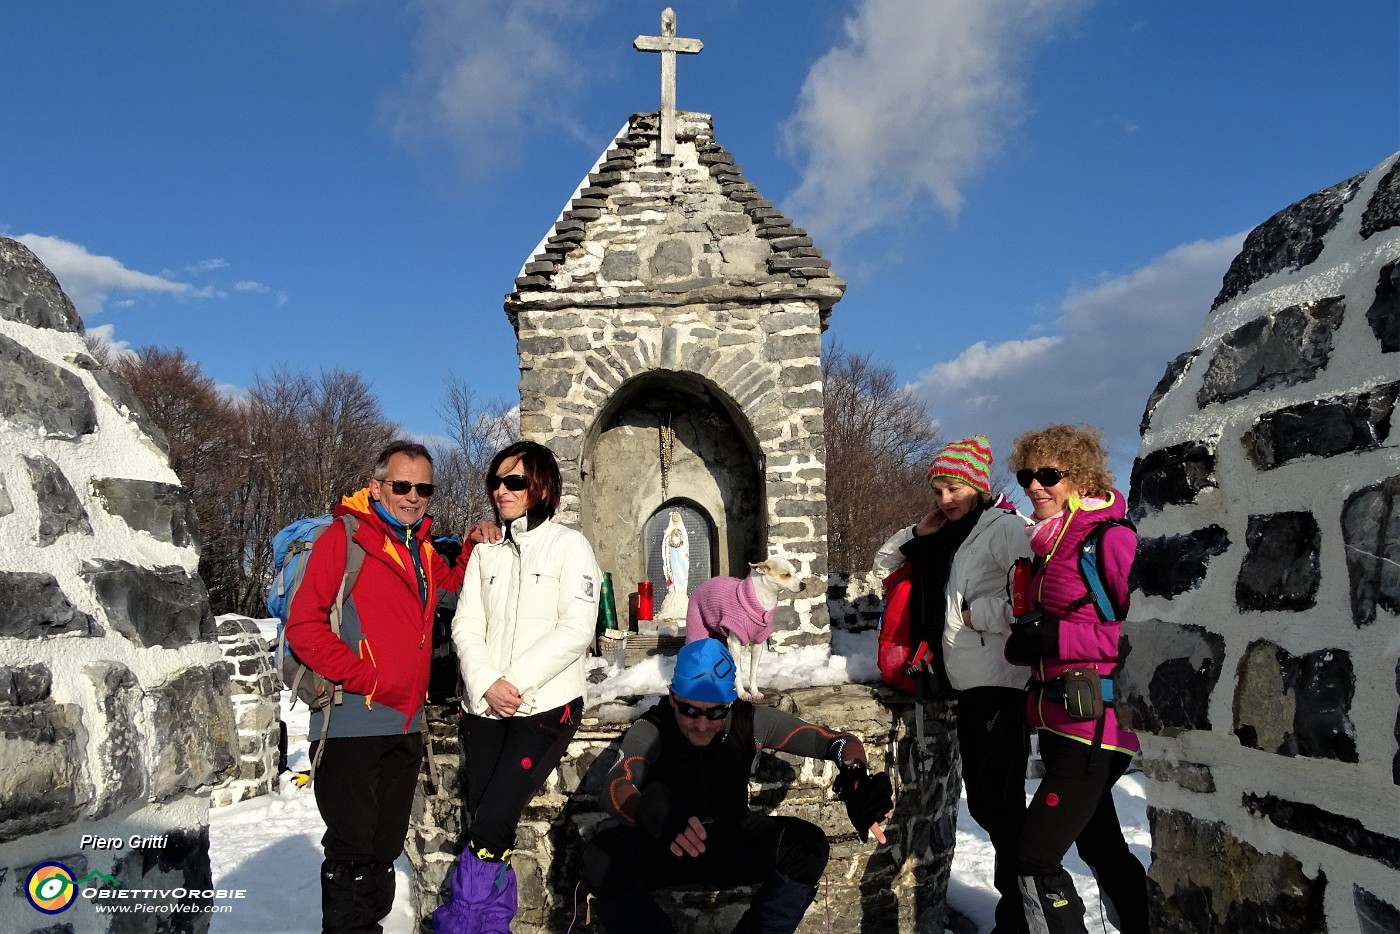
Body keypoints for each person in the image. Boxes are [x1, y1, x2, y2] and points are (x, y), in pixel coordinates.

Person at [285, 440, 498, 934]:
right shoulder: (346, 537)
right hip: (350, 722)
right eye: (401, 485)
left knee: (382, 853)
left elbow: (455, 590)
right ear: (377, 485)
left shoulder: (419, 546)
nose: (412, 496)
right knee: (353, 854)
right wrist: (365, 677)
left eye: (424, 488)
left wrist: (474, 541)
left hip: (405, 723)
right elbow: (304, 626)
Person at [583, 639, 894, 934]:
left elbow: (834, 741)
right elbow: (616, 785)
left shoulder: (747, 721)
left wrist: (855, 774)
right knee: (601, 857)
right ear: (672, 697)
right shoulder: (654, 726)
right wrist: (652, 814)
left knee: (808, 845)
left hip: (730, 839)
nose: (701, 725)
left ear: (729, 703)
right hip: (668, 844)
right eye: (690, 710)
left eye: (715, 712)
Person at [434, 440, 602, 934]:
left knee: (492, 818)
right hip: (484, 706)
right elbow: (466, 624)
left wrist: (515, 682)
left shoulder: (569, 546)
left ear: (541, 486)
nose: (501, 490)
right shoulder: (486, 550)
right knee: (485, 817)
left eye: (515, 481)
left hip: (545, 705)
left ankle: (468, 924)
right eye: (496, 481)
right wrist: (487, 684)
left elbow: (577, 627)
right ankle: (487, 920)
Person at [873, 434, 1033, 934]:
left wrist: (974, 614)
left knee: (997, 803)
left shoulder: (1005, 527)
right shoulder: (947, 534)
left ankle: (1026, 908)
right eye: (939, 490)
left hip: (1000, 682)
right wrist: (919, 530)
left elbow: (1035, 592)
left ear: (979, 487)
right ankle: (1024, 903)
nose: (946, 499)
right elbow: (883, 565)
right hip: (966, 684)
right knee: (990, 802)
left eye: (955, 489)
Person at [1003, 424, 1147, 934]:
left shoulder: (1108, 539)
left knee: (1034, 856)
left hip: (1097, 725)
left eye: (1049, 475)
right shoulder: (1049, 547)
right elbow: (1064, 627)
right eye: (1026, 476)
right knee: (1100, 844)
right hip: (1061, 718)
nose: (1034, 486)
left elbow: (1142, 635)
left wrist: (1058, 639)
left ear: (1082, 479)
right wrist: (1028, 644)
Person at [657, 509, 690, 621]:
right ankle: (674, 597)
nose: (675, 516)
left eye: (677, 514)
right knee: (673, 577)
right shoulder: (668, 532)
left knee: (680, 575)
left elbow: (685, 546)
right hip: (672, 558)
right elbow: (665, 547)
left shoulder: (683, 531)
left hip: (681, 558)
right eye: (673, 514)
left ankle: (681, 599)